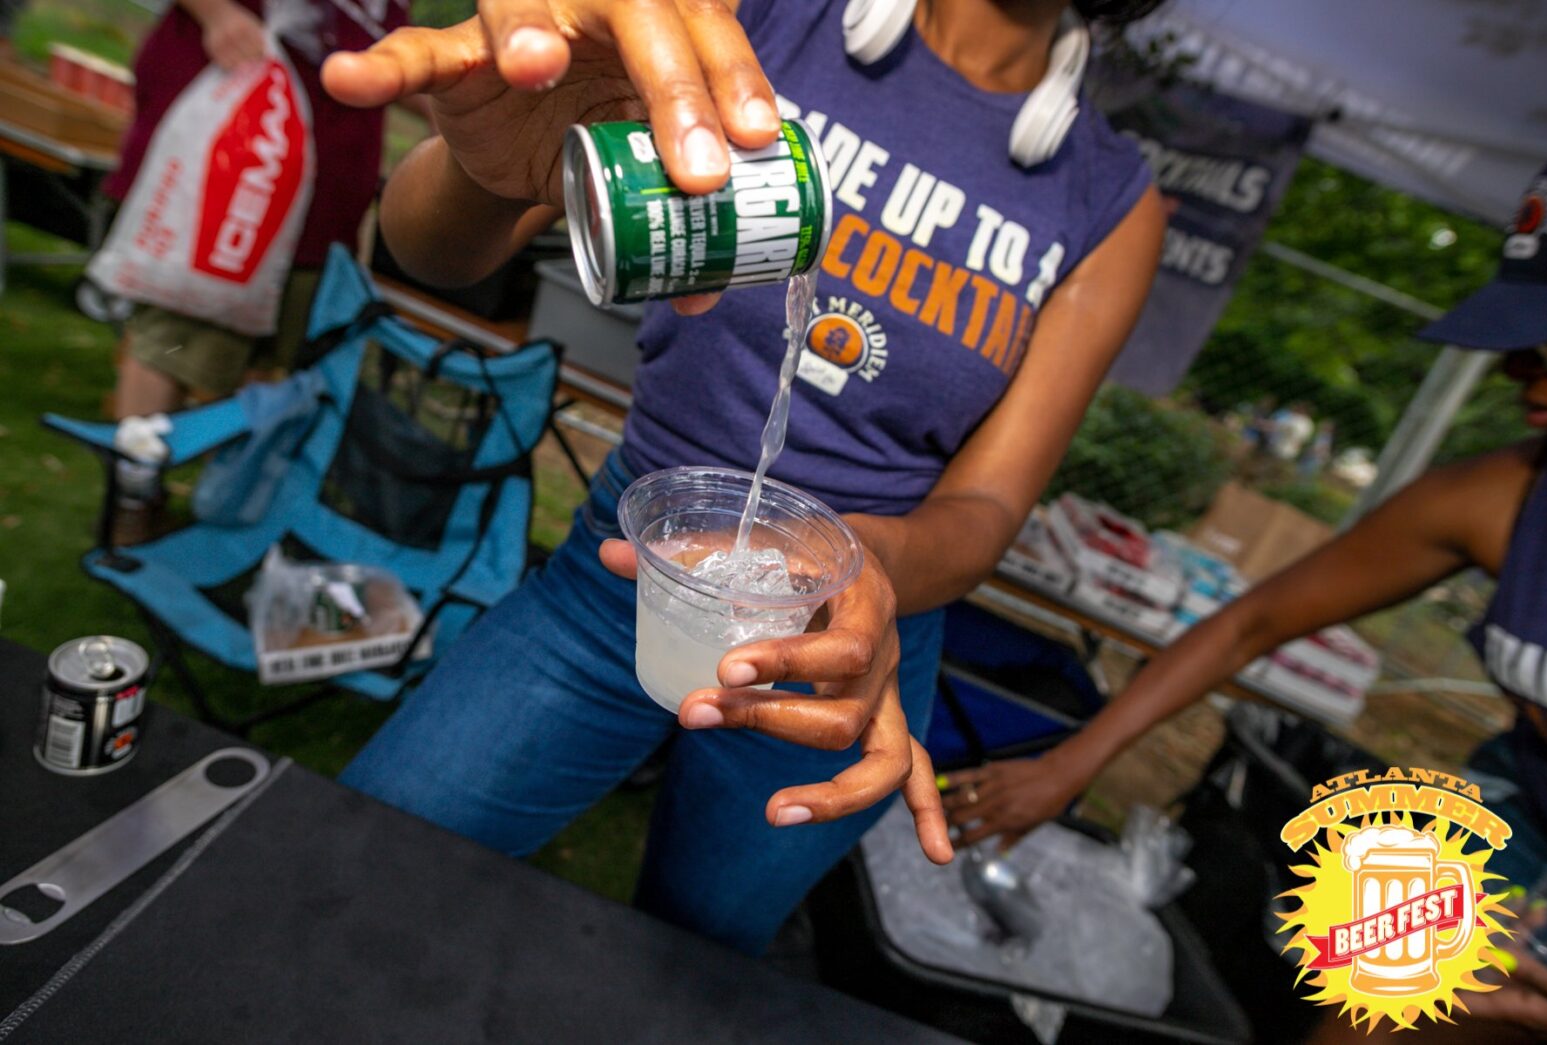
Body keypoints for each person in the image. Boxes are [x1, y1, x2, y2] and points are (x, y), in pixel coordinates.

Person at [321, 0, 1166, 954]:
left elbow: (988, 507)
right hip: (626, 575)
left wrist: (857, 564)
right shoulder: (756, 16)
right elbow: (430, 254)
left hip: (842, 639)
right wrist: (485, 180)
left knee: (695, 964)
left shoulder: (1110, 202)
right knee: (363, 862)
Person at [941, 146, 1547, 1041]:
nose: (1517, 374)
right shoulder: (1503, 496)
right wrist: (1071, 763)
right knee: (1364, 1007)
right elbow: (1254, 621)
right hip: (1531, 822)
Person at [105, 0, 411, 541]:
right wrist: (216, 12)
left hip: (331, 170)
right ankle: (131, 507)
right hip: (240, 145)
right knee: (173, 342)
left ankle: (219, 519)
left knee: (280, 364)